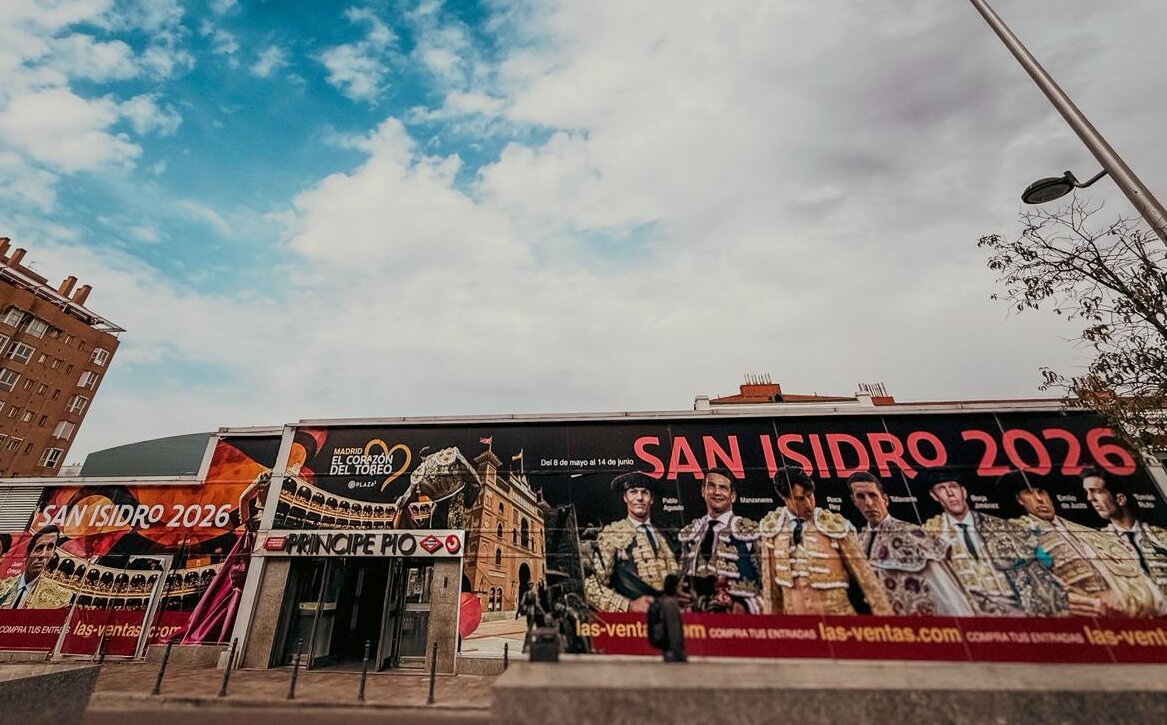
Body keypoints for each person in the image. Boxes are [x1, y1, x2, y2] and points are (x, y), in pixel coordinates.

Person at [1000, 470, 1166, 618]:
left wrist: (1121, 596)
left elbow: (1140, 581)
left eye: (1041, 492)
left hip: (1126, 618)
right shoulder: (1015, 532)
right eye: (1029, 493)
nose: (1039, 499)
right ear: (1019, 500)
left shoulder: (1093, 534)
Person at [921, 471, 1066, 616]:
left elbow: (1036, 574)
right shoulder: (930, 531)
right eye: (941, 489)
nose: (950, 494)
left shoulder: (1003, 527)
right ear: (934, 496)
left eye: (953, 487)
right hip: (964, 611)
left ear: (963, 492)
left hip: (1014, 610)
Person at [758, 466, 891, 616]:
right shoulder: (772, 529)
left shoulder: (834, 525)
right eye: (800, 498)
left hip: (838, 621)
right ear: (785, 498)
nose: (808, 504)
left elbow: (867, 579)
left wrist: (886, 621)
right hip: (797, 627)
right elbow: (772, 591)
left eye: (810, 495)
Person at [848, 471, 974, 616]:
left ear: (885, 500)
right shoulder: (859, 540)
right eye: (861, 497)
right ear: (854, 501)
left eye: (873, 495)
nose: (868, 503)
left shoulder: (912, 534)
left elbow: (944, 589)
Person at [585, 471, 680, 612]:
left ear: (651, 498)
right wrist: (628, 606)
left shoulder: (668, 533)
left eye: (645, 493)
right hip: (633, 624)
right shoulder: (612, 534)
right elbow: (591, 586)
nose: (639, 498)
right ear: (625, 497)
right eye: (633, 492)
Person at [678, 468, 762, 613]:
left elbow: (770, 586)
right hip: (695, 620)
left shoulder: (751, 533)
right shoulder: (689, 533)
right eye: (711, 486)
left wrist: (747, 606)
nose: (717, 492)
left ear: (733, 496)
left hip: (735, 621)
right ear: (703, 491)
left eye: (723, 488)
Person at [1081, 466, 1167, 598]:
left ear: (1120, 499)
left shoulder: (1161, 536)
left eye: (1096, 491)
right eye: (1087, 492)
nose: (1090, 498)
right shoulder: (1093, 542)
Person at [0, 526, 71, 609]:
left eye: (49, 548)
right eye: (39, 548)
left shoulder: (59, 597)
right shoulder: (4, 586)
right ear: (26, 555)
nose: (43, 555)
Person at [648, 574, 686, 662]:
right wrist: (678, 651)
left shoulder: (662, 600)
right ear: (675, 587)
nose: (681, 588)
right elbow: (673, 629)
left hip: (667, 650)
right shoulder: (671, 603)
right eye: (679, 586)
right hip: (673, 652)